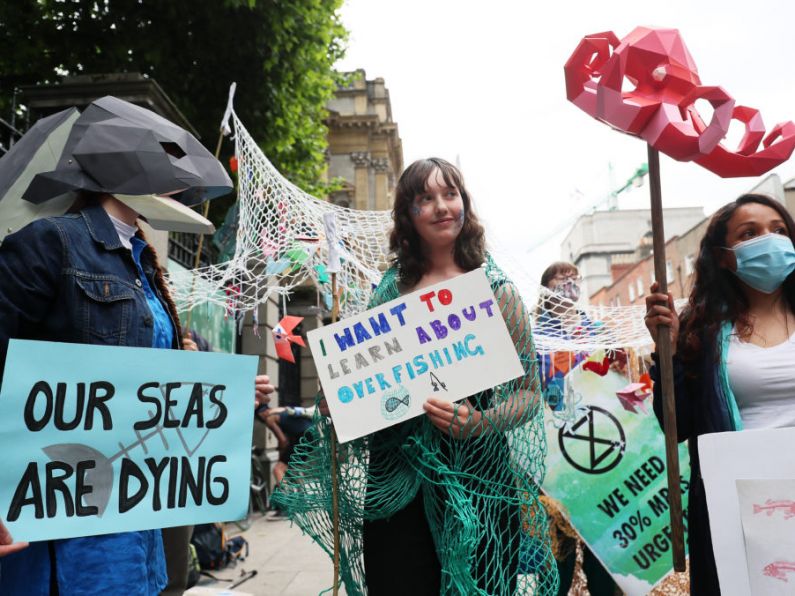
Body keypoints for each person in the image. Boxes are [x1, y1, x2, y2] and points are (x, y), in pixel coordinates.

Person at [0, 98, 275, 594]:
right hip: (66, 524)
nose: (186, 189)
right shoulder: (51, 243)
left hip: (135, 524)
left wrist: (223, 400)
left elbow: (146, 389)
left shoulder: (144, 262)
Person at [273, 157, 556, 595]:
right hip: (395, 478)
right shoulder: (387, 294)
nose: (442, 207)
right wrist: (340, 403)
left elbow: (527, 395)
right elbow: (366, 385)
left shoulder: (495, 292)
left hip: (478, 476)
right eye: (426, 198)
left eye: (450, 194)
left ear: (465, 204)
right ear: (408, 214)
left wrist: (480, 423)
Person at [644, 193, 795, 594]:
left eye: (780, 231)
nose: (770, 240)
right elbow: (679, 427)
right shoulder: (702, 332)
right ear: (725, 256)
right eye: (750, 233)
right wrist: (669, 352)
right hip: (745, 509)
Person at [535, 263, 618, 596]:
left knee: (601, 543)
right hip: (555, 448)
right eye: (560, 281)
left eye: (574, 280)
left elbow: (614, 373)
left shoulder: (595, 329)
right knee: (560, 547)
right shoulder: (534, 333)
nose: (568, 287)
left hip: (598, 438)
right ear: (545, 290)